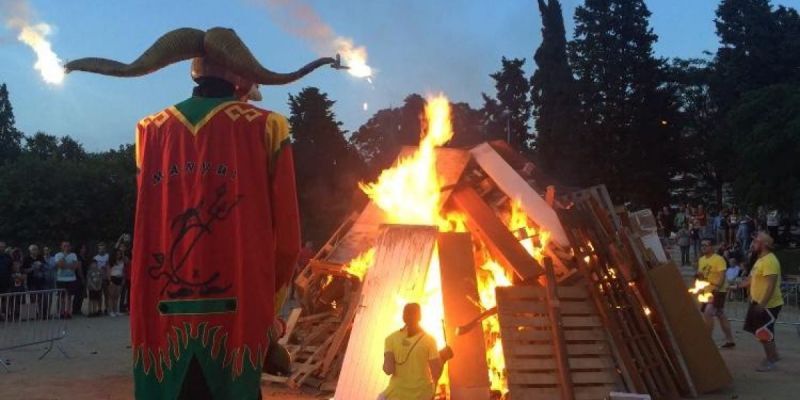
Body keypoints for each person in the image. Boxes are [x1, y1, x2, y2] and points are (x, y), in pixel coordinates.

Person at [66, 27, 337, 399]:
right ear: (239, 76)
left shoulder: (149, 131)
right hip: (237, 318)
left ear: (195, 72)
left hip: (161, 318)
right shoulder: (267, 126)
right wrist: (268, 315)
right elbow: (288, 242)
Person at [381, 303, 454, 400]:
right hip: (422, 395)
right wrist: (442, 357)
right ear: (419, 317)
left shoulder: (391, 339)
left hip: (396, 395)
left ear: (403, 317)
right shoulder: (429, 340)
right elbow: (436, 373)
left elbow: (388, 370)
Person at [741, 232, 783, 372]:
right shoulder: (760, 260)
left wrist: (762, 304)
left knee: (763, 332)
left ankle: (771, 360)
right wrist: (735, 286)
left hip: (768, 305)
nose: (753, 244)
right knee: (761, 332)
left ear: (764, 244)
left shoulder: (770, 261)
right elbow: (751, 280)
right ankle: (774, 356)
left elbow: (771, 285)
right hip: (758, 303)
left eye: (756, 241)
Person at [697, 239, 735, 348]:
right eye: (702, 245)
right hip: (706, 291)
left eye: (706, 245)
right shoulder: (701, 260)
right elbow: (701, 275)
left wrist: (717, 287)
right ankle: (730, 340)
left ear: (712, 247)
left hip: (717, 291)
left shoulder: (719, 259)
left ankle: (707, 340)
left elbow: (722, 275)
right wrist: (699, 282)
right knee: (720, 315)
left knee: (708, 312)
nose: (703, 247)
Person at [55, 241, 80, 319]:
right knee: (61, 297)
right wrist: (65, 257)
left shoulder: (73, 255)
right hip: (61, 279)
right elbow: (60, 265)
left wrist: (66, 265)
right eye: (65, 246)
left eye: (68, 246)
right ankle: (61, 312)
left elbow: (75, 266)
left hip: (71, 279)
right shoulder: (58, 255)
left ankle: (68, 312)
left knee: (69, 296)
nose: (67, 247)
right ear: (61, 247)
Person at [107, 249, 126, 317]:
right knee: (111, 296)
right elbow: (108, 272)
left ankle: (116, 311)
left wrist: (123, 279)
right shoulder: (111, 262)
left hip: (119, 278)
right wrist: (110, 281)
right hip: (113, 278)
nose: (119, 255)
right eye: (117, 254)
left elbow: (123, 271)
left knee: (117, 296)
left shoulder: (122, 261)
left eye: (120, 254)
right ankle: (110, 311)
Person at [94, 243, 111, 315]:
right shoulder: (95, 258)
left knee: (106, 294)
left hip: (106, 278)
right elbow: (94, 268)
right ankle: (99, 309)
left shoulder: (108, 256)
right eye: (100, 248)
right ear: (98, 249)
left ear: (105, 249)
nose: (102, 250)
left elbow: (109, 266)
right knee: (99, 295)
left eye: (103, 248)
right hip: (98, 278)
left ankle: (106, 309)